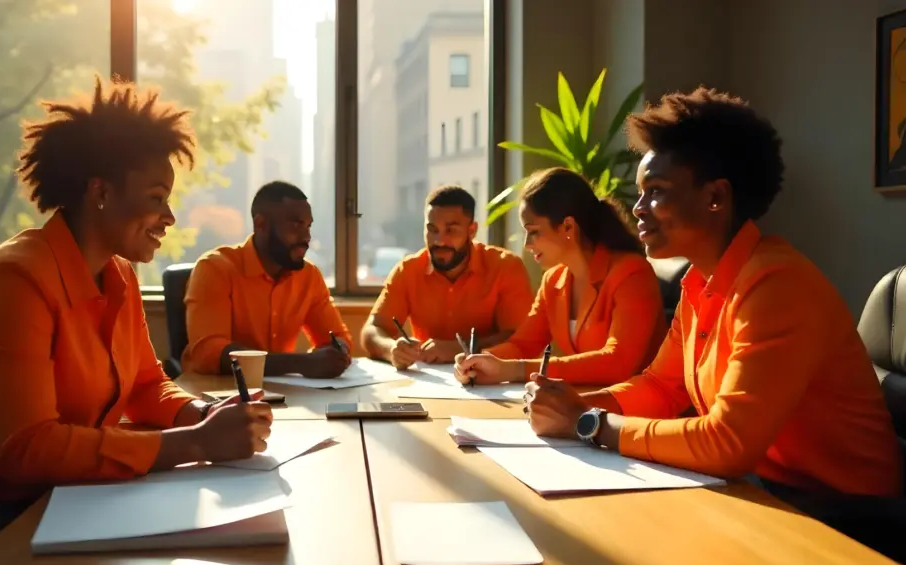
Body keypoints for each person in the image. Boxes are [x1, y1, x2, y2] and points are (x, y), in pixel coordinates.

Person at [525, 88, 903, 532]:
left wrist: (589, 423)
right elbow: (662, 388)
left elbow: (727, 441)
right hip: (765, 492)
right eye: (640, 193)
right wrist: (572, 406)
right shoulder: (701, 281)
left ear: (715, 198)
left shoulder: (776, 284)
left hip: (847, 518)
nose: (639, 209)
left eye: (656, 192)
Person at [0, 76, 274, 504]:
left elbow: (145, 384)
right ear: (101, 192)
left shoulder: (119, 275)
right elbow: (27, 449)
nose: (169, 216)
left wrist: (203, 414)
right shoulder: (14, 282)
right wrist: (195, 444)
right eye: (156, 197)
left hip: (55, 498)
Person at [454, 168, 666, 387]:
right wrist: (481, 360)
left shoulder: (631, 273)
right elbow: (522, 345)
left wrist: (516, 369)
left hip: (639, 412)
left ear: (568, 227)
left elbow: (618, 362)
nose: (527, 244)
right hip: (586, 406)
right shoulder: (553, 281)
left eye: (534, 231)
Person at [182, 181, 352, 378]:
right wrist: (301, 364)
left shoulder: (309, 276)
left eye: (308, 226)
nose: (306, 236)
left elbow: (338, 337)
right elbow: (208, 352)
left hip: (282, 395)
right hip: (215, 394)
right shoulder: (215, 268)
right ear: (261, 224)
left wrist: (339, 351)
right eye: (296, 225)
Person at [361, 185, 534, 369]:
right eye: (432, 229)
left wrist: (460, 348)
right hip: (428, 384)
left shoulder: (505, 267)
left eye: (451, 230)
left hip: (491, 382)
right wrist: (391, 349)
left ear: (472, 230)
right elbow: (371, 331)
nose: (439, 241)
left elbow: (520, 339)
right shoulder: (408, 270)